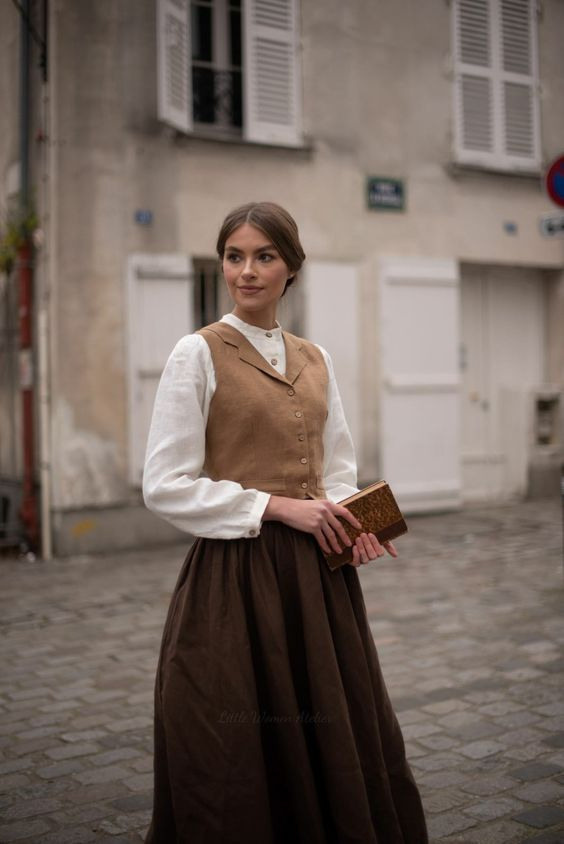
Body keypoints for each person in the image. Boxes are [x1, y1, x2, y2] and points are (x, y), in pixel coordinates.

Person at [142, 201, 428, 843]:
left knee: (338, 722)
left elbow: (338, 468)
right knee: (234, 738)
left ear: (290, 268)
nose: (247, 271)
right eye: (234, 256)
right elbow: (163, 485)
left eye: (263, 256)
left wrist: (357, 525)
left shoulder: (315, 357)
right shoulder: (198, 353)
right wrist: (273, 506)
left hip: (317, 582)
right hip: (236, 579)